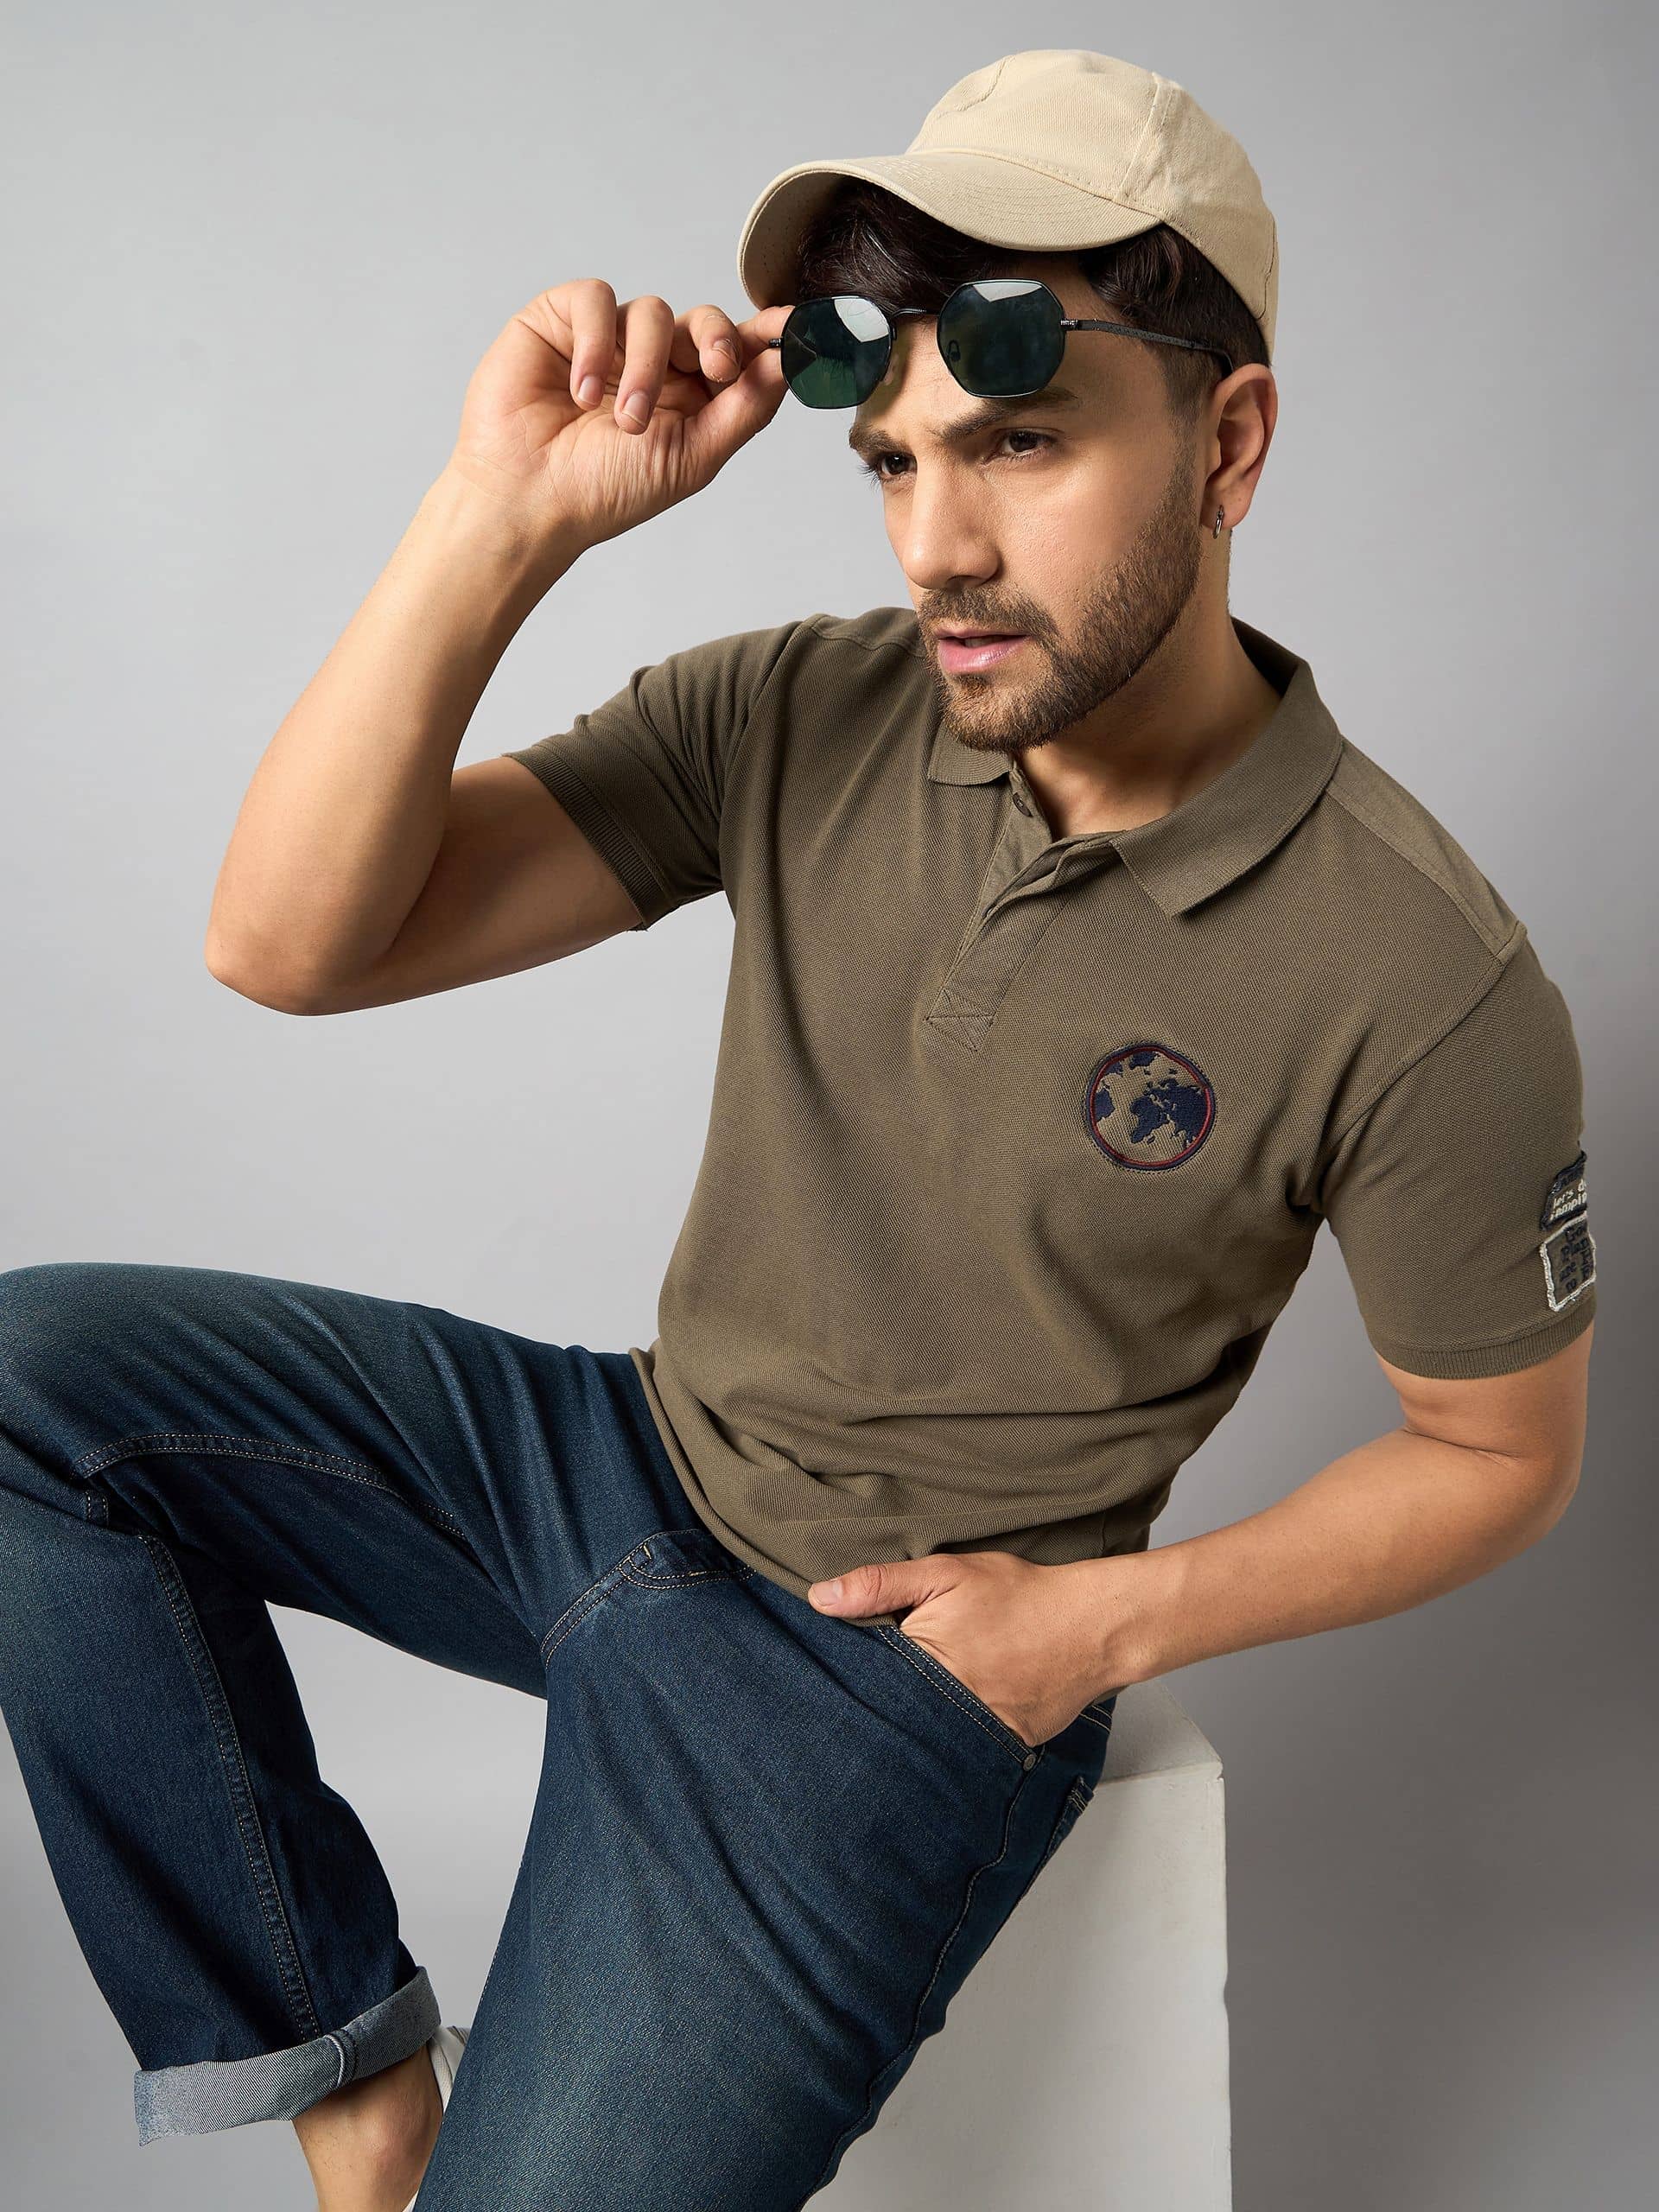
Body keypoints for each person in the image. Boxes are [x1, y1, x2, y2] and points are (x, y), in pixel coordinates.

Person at [0, 47, 1597, 2212]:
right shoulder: (806, 707)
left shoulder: (1421, 969)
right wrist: (504, 516)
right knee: (28, 1389)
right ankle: (355, 2083)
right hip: (610, 1465)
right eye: (893, 459)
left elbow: (1497, 1453)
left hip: (880, 1674)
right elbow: (285, 941)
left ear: (1229, 442)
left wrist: (1095, 1631)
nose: (940, 544)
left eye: (1021, 441)